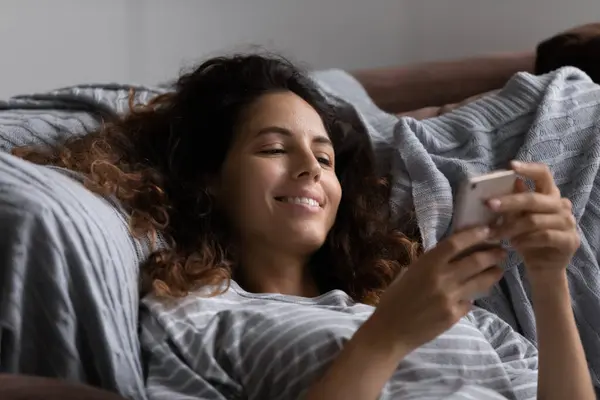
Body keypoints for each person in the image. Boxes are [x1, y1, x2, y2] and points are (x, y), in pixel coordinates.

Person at [14, 54, 594, 399]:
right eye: (273, 147)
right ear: (209, 177)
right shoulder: (195, 320)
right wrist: (386, 339)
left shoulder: (441, 312)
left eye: (325, 158)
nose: (309, 170)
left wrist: (549, 282)